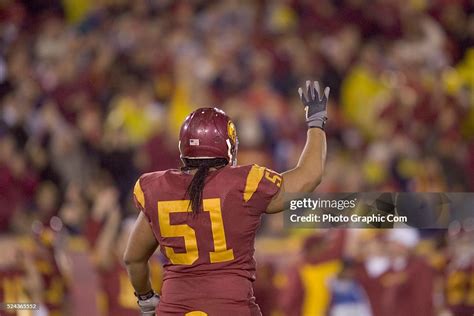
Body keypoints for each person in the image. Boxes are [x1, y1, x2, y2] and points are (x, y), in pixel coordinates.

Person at [123, 80, 330, 315]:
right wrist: (316, 121)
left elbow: (133, 259)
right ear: (228, 145)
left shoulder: (157, 189)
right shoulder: (245, 183)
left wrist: (146, 298)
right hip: (230, 307)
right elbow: (309, 176)